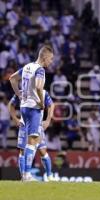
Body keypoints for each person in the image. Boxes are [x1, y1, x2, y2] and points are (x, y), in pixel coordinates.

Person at [9, 45, 54, 181]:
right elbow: (40, 87)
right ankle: (27, 175)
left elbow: (12, 78)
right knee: (32, 141)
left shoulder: (27, 67)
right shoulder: (40, 70)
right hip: (34, 108)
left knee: (31, 142)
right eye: (50, 59)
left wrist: (19, 94)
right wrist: (41, 103)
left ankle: (26, 175)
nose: (51, 62)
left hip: (24, 107)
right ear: (44, 57)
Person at [8, 90, 55, 181]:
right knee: (23, 151)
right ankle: (24, 176)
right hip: (24, 126)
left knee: (43, 151)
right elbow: (11, 104)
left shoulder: (43, 92)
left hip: (37, 125)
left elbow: (51, 105)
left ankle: (50, 176)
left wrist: (48, 120)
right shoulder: (21, 92)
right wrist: (16, 119)